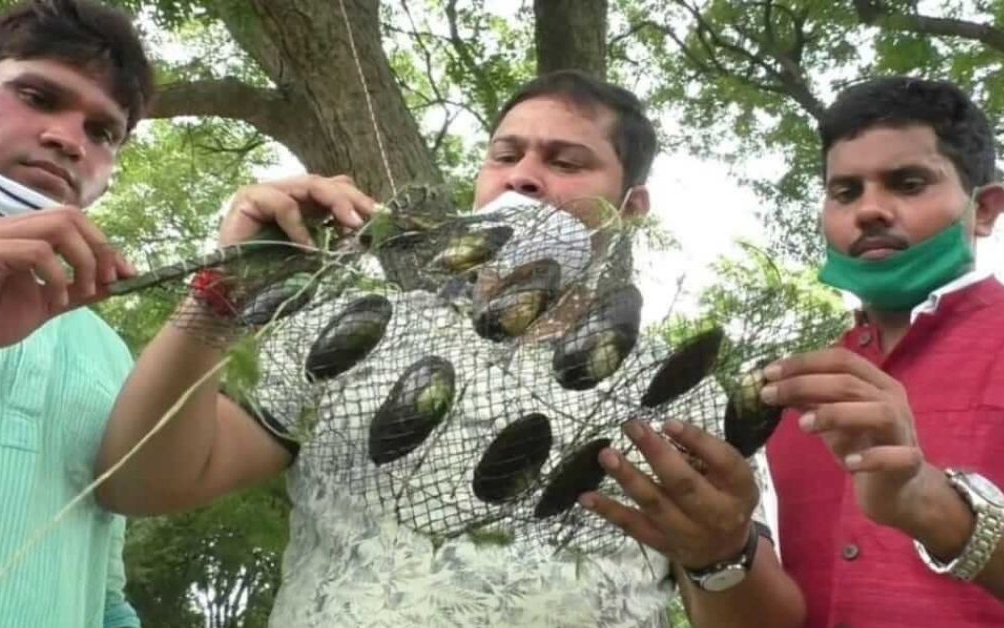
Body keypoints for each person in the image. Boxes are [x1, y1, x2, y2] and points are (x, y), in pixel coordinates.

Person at [96, 70, 778, 627]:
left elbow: (763, 617)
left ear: (631, 206)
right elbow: (141, 482)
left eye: (566, 161)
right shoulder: (349, 336)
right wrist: (224, 289)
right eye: (506, 156)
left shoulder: (687, 394)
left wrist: (721, 553)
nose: (524, 177)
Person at [592, 76, 1004, 627]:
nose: (869, 210)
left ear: (984, 210)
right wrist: (719, 554)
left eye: (909, 183)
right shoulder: (786, 394)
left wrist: (933, 505)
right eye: (845, 192)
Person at [0, 0, 153, 624]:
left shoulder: (110, 349)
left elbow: (104, 590)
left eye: (102, 131)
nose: (68, 140)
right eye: (39, 97)